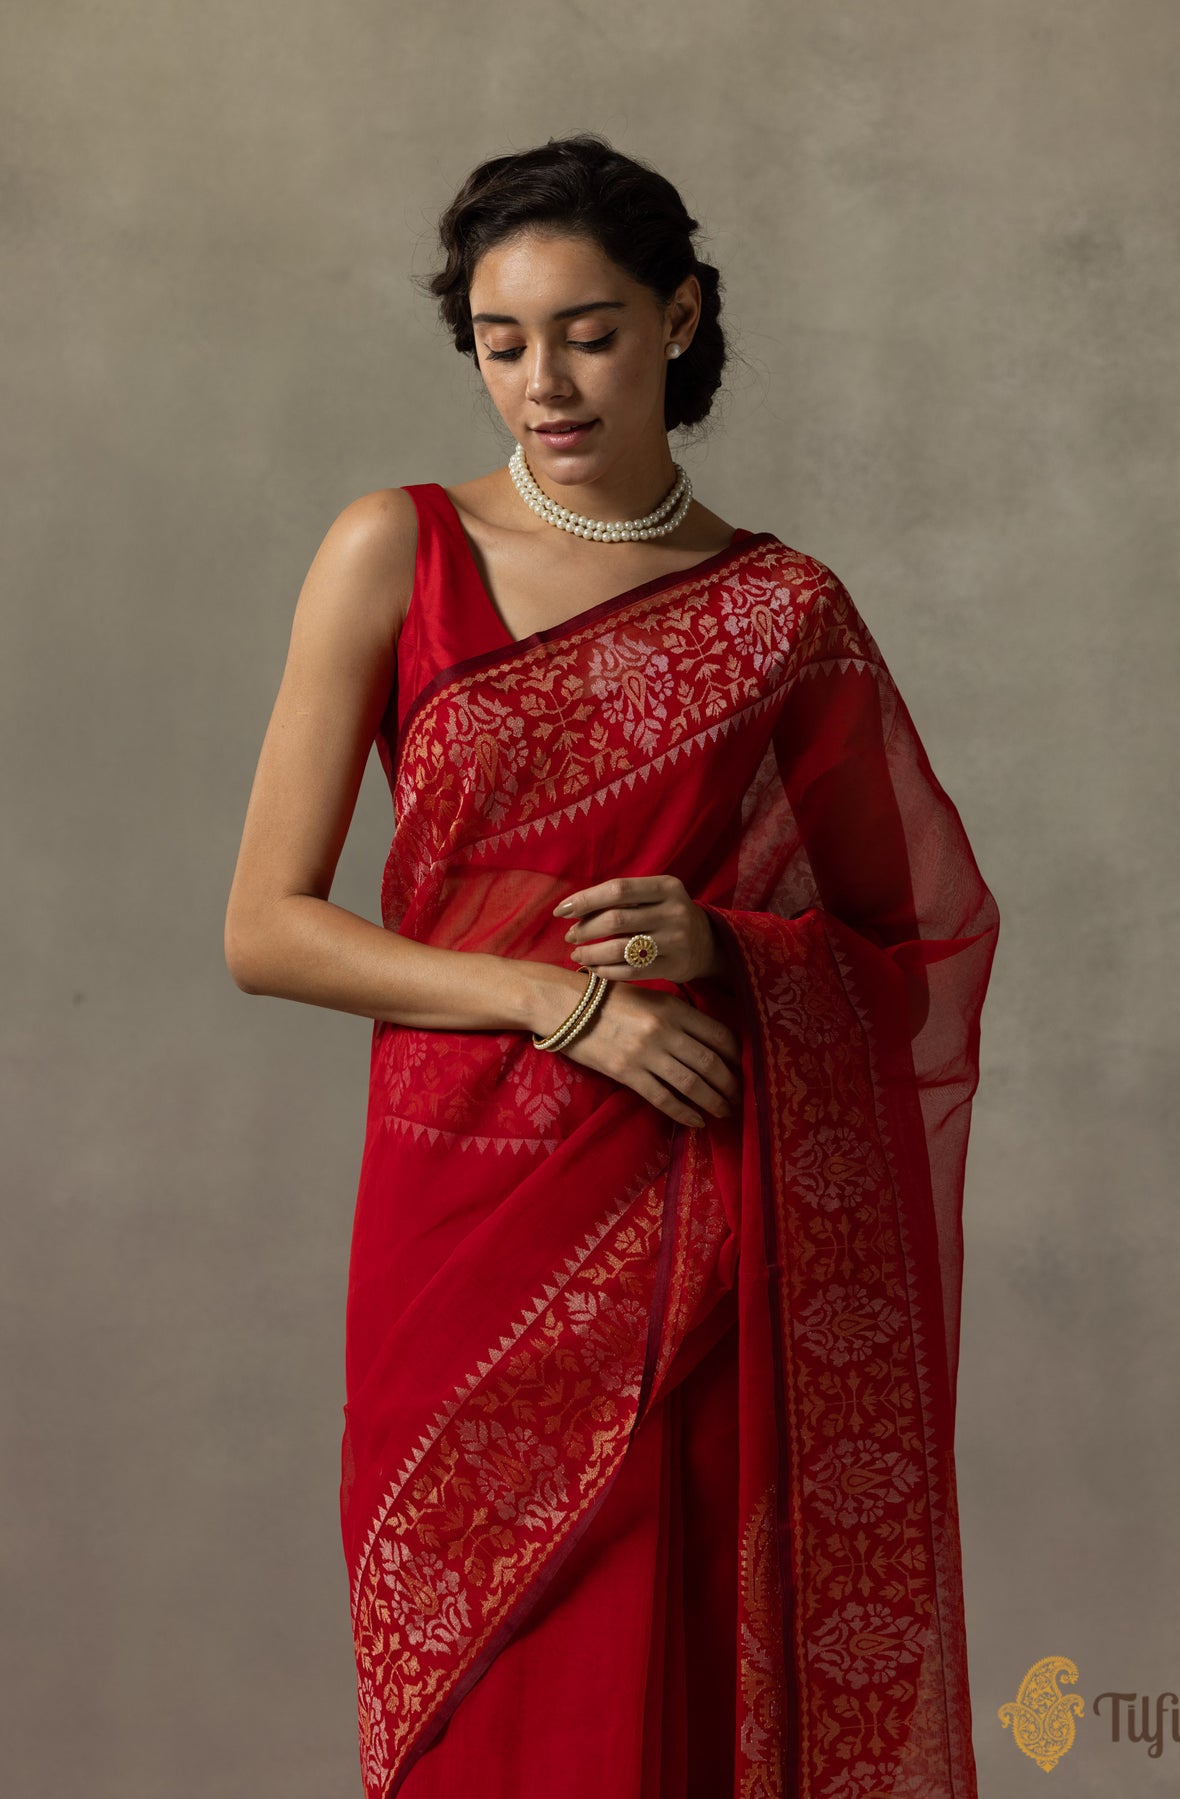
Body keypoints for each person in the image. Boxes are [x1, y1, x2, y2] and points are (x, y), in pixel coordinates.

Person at [224, 132, 1000, 1799]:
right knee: (484, 1700)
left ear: (678, 318)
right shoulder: (397, 549)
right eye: (501, 343)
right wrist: (552, 998)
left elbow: (917, 946)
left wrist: (731, 947)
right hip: (459, 1220)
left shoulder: (780, 611)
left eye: (588, 333)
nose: (544, 384)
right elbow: (266, 928)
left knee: (669, 1699)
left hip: (693, 1230)